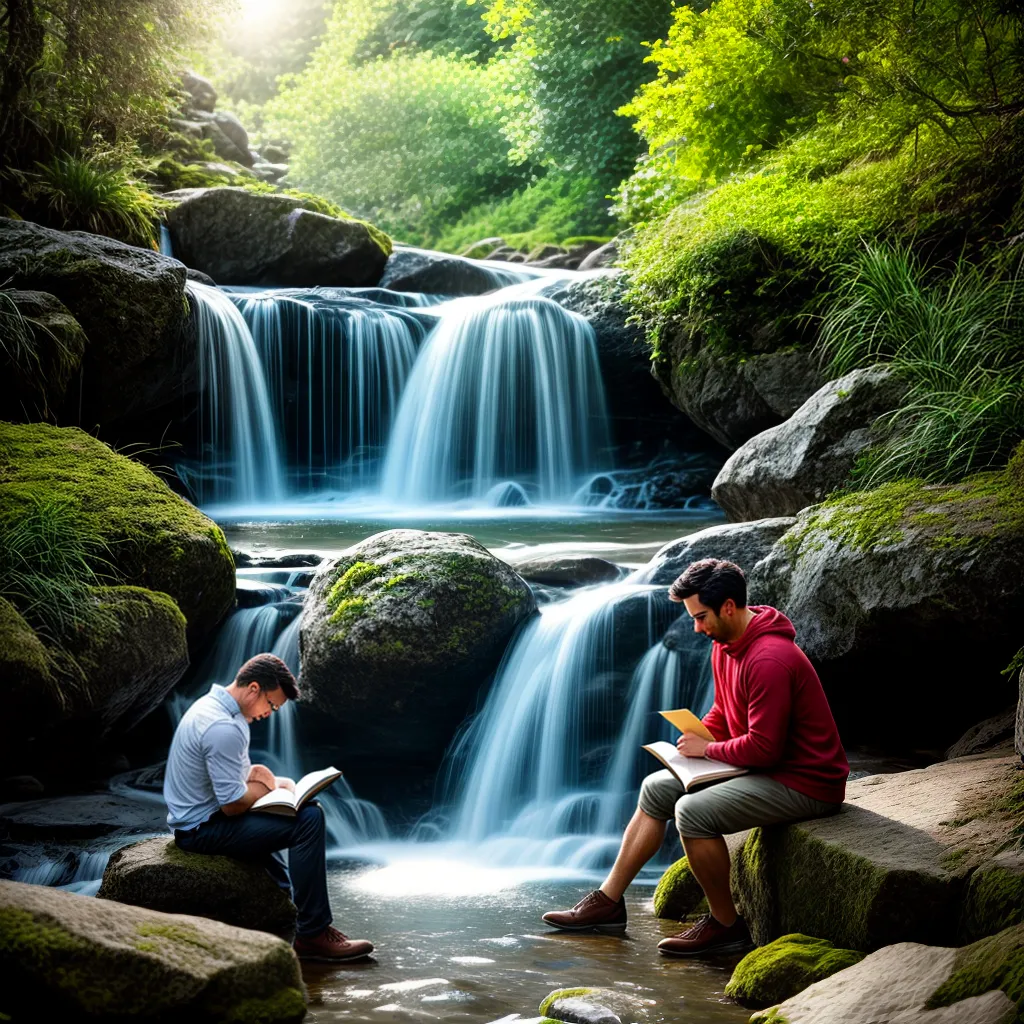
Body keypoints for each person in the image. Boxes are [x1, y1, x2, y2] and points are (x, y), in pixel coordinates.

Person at [541, 557, 848, 957]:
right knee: (655, 789)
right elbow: (726, 712)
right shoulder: (728, 645)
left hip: (806, 781)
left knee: (693, 812)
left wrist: (708, 751)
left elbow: (766, 748)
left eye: (701, 617)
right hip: (764, 766)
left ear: (729, 607)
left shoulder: (769, 659)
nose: (696, 628)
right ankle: (608, 902)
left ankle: (726, 925)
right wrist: (698, 734)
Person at [163, 652, 374, 962]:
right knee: (310, 818)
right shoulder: (224, 727)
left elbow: (222, 779)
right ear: (253, 689)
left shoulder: (213, 709)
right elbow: (234, 805)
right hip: (200, 830)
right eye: (271, 705)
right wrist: (267, 788)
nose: (270, 713)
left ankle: (286, 912)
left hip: (197, 819)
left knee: (287, 821)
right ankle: (313, 935)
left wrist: (263, 779)